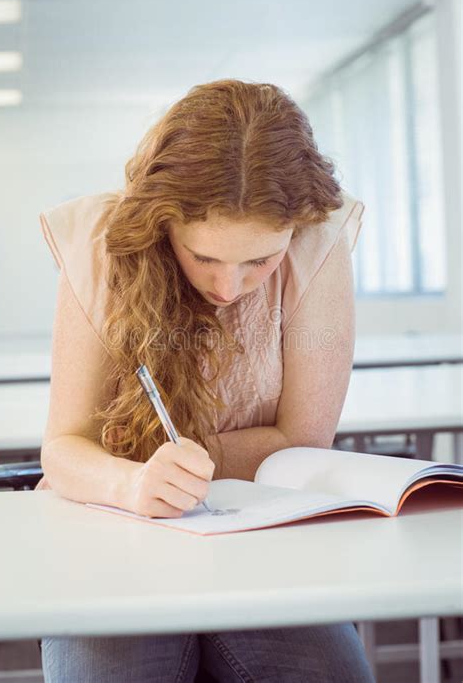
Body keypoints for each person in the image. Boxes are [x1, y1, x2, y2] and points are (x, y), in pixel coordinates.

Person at [37, 79, 373, 682]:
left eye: (260, 262)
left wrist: (179, 467)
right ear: (163, 224)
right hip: (114, 526)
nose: (226, 288)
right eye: (205, 257)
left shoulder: (318, 239)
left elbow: (302, 438)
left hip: (262, 527)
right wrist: (132, 482)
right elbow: (63, 447)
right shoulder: (99, 243)